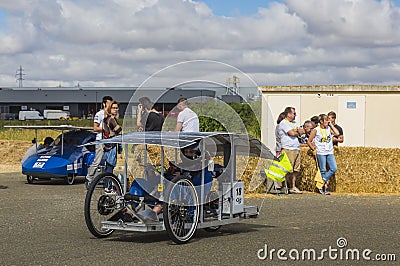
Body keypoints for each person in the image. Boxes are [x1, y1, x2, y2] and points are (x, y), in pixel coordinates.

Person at [307, 114, 340, 195]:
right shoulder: (316, 130)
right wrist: (313, 149)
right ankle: (324, 187)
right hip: (321, 152)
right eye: (326, 120)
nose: (327, 121)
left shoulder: (329, 128)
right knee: (323, 170)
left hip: (329, 152)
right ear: (321, 121)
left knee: (334, 168)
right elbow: (309, 141)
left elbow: (337, 133)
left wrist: (331, 125)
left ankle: (322, 181)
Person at [86, 95, 113, 187]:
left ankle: (107, 182)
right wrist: (105, 128)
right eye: (109, 103)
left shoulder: (111, 115)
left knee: (109, 162)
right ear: (104, 104)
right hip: (100, 140)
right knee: (97, 161)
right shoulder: (99, 114)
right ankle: (89, 177)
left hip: (109, 140)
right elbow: (95, 128)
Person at [278, 107, 305, 194]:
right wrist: (297, 132)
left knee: (295, 169)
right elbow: (292, 133)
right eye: (294, 113)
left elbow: (302, 130)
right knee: (287, 169)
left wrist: (298, 132)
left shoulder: (294, 123)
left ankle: (293, 186)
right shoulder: (284, 123)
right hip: (288, 148)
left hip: (296, 148)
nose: (295, 115)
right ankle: (284, 186)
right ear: (289, 114)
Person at [102, 100, 122, 193]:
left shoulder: (105, 119)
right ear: (110, 109)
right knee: (110, 167)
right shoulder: (112, 119)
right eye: (113, 108)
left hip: (106, 145)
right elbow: (119, 130)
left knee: (107, 167)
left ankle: (107, 186)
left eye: (117, 108)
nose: (116, 110)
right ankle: (108, 187)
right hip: (112, 145)